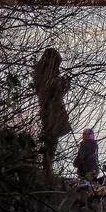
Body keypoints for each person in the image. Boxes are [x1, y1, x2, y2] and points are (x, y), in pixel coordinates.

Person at [33, 48, 71, 181]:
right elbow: (56, 96)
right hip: (52, 112)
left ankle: (47, 170)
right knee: (51, 142)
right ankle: (47, 171)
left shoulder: (39, 75)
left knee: (50, 141)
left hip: (46, 111)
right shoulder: (49, 78)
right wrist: (65, 85)